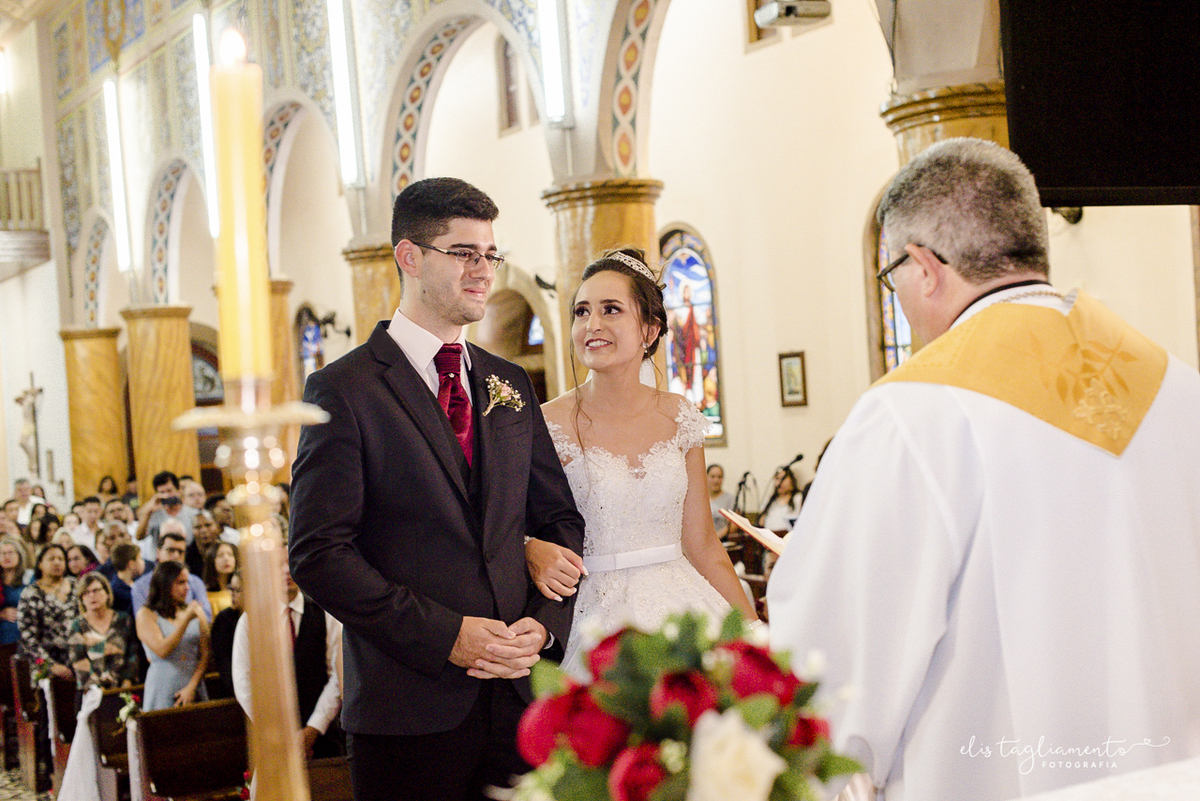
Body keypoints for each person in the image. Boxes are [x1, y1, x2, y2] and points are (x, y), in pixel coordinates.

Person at [767, 138, 1200, 801]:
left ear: (923, 266)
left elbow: (835, 672)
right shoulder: (1178, 390)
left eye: (893, 280)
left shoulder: (909, 415)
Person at [289, 177, 585, 801]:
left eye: (490, 255)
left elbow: (558, 520)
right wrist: (444, 635)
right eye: (464, 254)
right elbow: (319, 553)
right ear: (410, 257)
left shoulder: (507, 383)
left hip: (519, 695)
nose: (484, 272)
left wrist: (545, 625)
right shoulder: (345, 391)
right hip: (409, 709)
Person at [524, 249, 757, 676]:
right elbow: (516, 526)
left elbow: (703, 544)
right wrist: (528, 547)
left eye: (610, 310)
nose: (592, 325)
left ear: (649, 329)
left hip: (682, 604)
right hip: (589, 615)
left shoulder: (680, 416)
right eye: (581, 311)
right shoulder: (544, 423)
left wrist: (755, 633)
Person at [233, 560, 343, 759]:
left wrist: (313, 728)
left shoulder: (325, 611)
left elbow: (338, 674)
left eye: (291, 562)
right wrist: (276, 731)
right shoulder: (251, 619)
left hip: (322, 733)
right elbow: (243, 681)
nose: (286, 570)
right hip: (272, 735)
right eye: (278, 564)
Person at [136, 561, 209, 710]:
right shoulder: (146, 614)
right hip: (162, 685)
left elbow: (205, 654)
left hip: (192, 683)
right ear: (164, 584)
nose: (187, 588)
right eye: (180, 582)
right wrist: (186, 621)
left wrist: (192, 686)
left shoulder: (195, 611)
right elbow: (162, 650)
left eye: (187, 582)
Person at [67, 573, 138, 689]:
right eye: (86, 593)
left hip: (124, 686)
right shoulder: (77, 626)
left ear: (107, 593)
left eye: (96, 590)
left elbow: (132, 654)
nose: (91, 596)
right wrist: (99, 688)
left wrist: (127, 681)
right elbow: (78, 661)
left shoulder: (123, 619)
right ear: (82, 599)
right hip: (91, 691)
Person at [17, 543, 76, 681]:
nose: (57, 562)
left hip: (78, 657)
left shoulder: (76, 585)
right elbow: (27, 636)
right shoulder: (31, 593)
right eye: (51, 559)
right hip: (45, 662)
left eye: (61, 559)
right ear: (40, 564)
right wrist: (50, 665)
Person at [131, 526, 212, 620]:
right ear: (158, 552)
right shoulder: (141, 585)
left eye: (181, 552)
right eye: (171, 550)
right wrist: (189, 614)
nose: (176, 555)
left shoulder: (195, 582)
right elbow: (142, 621)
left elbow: (207, 616)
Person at [209, 571, 242, 699]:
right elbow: (223, 661)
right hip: (233, 691)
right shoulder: (224, 619)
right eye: (231, 589)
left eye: (237, 590)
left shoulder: (263, 615)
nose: (232, 595)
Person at [0, 536, 28, 645]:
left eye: (11, 553)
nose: (7, 556)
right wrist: (1, 614)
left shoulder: (30, 577)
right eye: (3, 553)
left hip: (25, 634)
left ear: (19, 555)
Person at [758, 466, 801, 533]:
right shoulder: (770, 500)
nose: (780, 482)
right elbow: (761, 523)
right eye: (777, 478)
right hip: (769, 537)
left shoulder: (798, 498)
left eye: (783, 478)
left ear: (792, 480)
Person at [203, 541, 237, 615]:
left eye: (230, 555)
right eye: (220, 555)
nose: (226, 559)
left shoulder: (242, 591)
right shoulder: (205, 595)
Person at [706, 463, 735, 539]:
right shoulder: (700, 498)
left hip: (721, 541)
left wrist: (716, 537)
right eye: (712, 477)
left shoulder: (730, 499)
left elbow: (733, 525)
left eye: (719, 477)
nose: (716, 480)